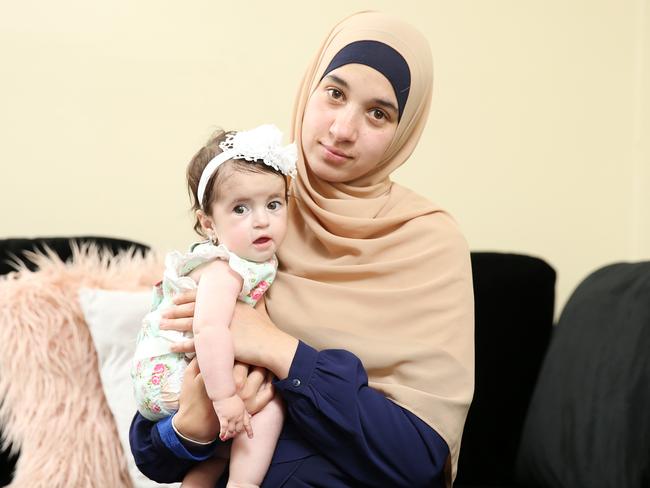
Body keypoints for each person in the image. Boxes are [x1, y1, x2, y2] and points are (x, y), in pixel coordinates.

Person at [130, 11, 474, 488]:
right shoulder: (253, 201)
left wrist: (277, 348)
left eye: (378, 113)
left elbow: (418, 458)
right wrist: (190, 427)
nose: (342, 130)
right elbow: (153, 451)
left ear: (405, 129)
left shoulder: (427, 241)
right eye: (334, 94)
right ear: (310, 89)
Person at [130, 124, 297, 487]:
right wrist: (223, 399)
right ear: (208, 223)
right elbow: (210, 330)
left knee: (222, 447)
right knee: (269, 407)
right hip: (173, 377)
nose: (261, 220)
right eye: (240, 208)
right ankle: (244, 483)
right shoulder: (225, 269)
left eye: (273, 204)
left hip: (174, 374)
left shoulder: (249, 260)